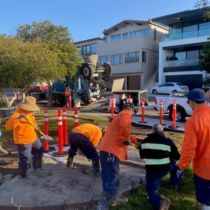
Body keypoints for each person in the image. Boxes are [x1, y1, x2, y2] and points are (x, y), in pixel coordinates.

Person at [97, 102, 138, 210]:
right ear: (132, 110)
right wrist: (126, 139)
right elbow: (124, 128)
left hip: (108, 150)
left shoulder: (119, 115)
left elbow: (125, 132)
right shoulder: (126, 113)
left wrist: (135, 142)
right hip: (110, 151)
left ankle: (113, 197)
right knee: (110, 176)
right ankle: (104, 203)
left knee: (112, 175)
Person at [178, 88, 210, 210]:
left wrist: (181, 166)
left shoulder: (193, 121)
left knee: (206, 201)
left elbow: (189, 150)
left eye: (188, 102)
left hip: (205, 170)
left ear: (192, 102)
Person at [139, 124, 181, 210]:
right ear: (162, 131)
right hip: (165, 168)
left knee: (151, 190)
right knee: (174, 163)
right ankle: (175, 183)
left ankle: (158, 203)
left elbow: (142, 158)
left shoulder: (145, 142)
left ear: (152, 131)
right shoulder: (168, 142)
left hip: (151, 170)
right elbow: (177, 156)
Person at [4, 96, 43, 178]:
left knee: (39, 148)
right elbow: (7, 127)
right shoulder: (16, 114)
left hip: (33, 137)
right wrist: (17, 119)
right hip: (23, 140)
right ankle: (23, 175)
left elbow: (32, 122)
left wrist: (37, 129)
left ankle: (37, 167)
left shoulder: (30, 113)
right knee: (25, 159)